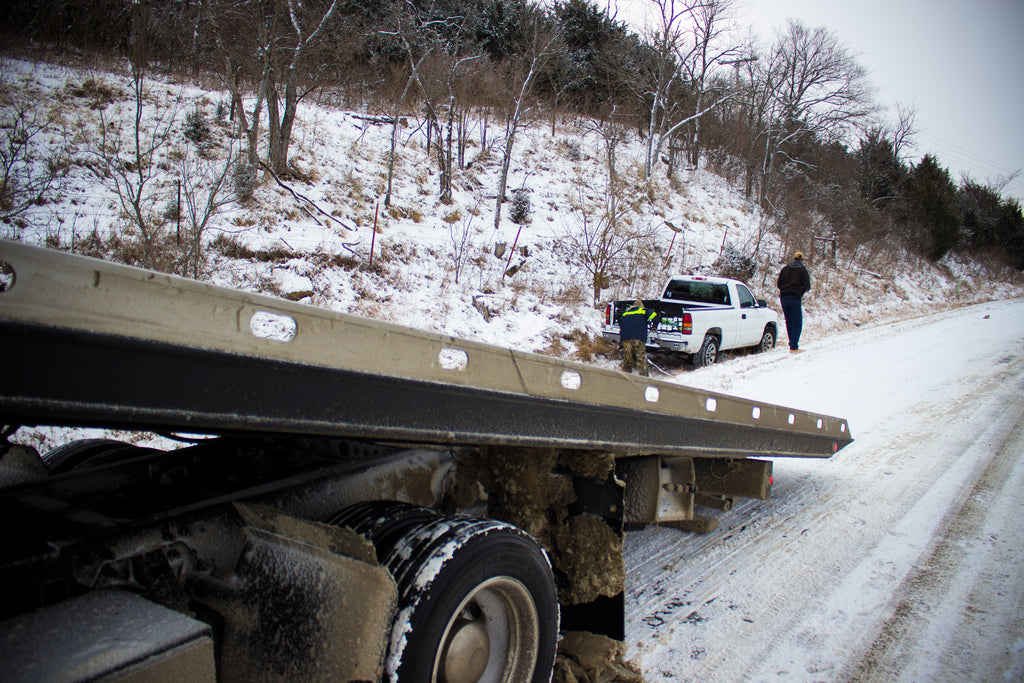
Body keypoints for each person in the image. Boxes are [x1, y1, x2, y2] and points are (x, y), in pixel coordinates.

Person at [777, 252, 811, 352]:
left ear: (793, 258)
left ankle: (792, 343)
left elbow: (779, 284)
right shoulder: (802, 270)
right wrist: (800, 291)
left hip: (783, 297)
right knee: (797, 322)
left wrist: (784, 289)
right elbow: (807, 286)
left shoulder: (785, 269)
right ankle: (794, 346)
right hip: (794, 297)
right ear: (802, 260)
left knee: (789, 321)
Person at [619, 299, 658, 376]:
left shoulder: (625, 313)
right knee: (640, 358)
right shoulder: (643, 310)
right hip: (638, 337)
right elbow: (655, 316)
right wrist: (654, 326)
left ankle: (625, 376)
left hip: (626, 338)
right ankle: (644, 378)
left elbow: (621, 323)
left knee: (627, 359)